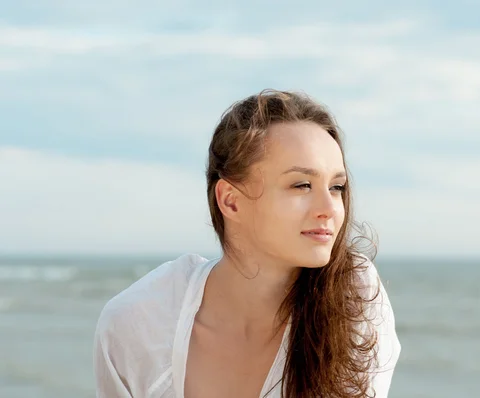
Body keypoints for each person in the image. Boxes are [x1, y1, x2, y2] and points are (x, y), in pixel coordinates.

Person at [93, 89, 401, 397]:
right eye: (302, 185)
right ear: (231, 201)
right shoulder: (139, 324)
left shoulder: (351, 297)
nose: (330, 208)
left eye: (336, 187)